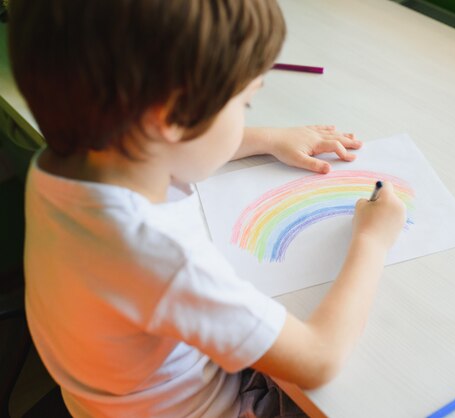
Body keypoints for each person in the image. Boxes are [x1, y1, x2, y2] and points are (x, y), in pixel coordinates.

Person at [9, 0, 407, 417]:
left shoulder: (62, 168)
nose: (245, 118)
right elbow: (318, 358)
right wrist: (372, 240)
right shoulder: (159, 257)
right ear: (172, 117)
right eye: (244, 105)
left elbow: (164, 143)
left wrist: (266, 137)